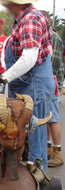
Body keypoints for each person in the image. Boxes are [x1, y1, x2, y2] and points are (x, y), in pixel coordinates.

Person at [0, 0, 54, 169]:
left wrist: (2, 79)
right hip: (30, 84)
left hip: (34, 85)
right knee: (29, 137)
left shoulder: (30, 20)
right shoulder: (24, 20)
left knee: (35, 140)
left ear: (15, 4)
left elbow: (29, 58)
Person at [39, 11, 64, 167]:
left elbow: (53, 64)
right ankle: (48, 148)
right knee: (47, 117)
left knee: (53, 118)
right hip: (50, 82)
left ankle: (58, 151)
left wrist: (46, 82)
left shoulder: (52, 37)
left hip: (52, 82)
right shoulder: (48, 35)